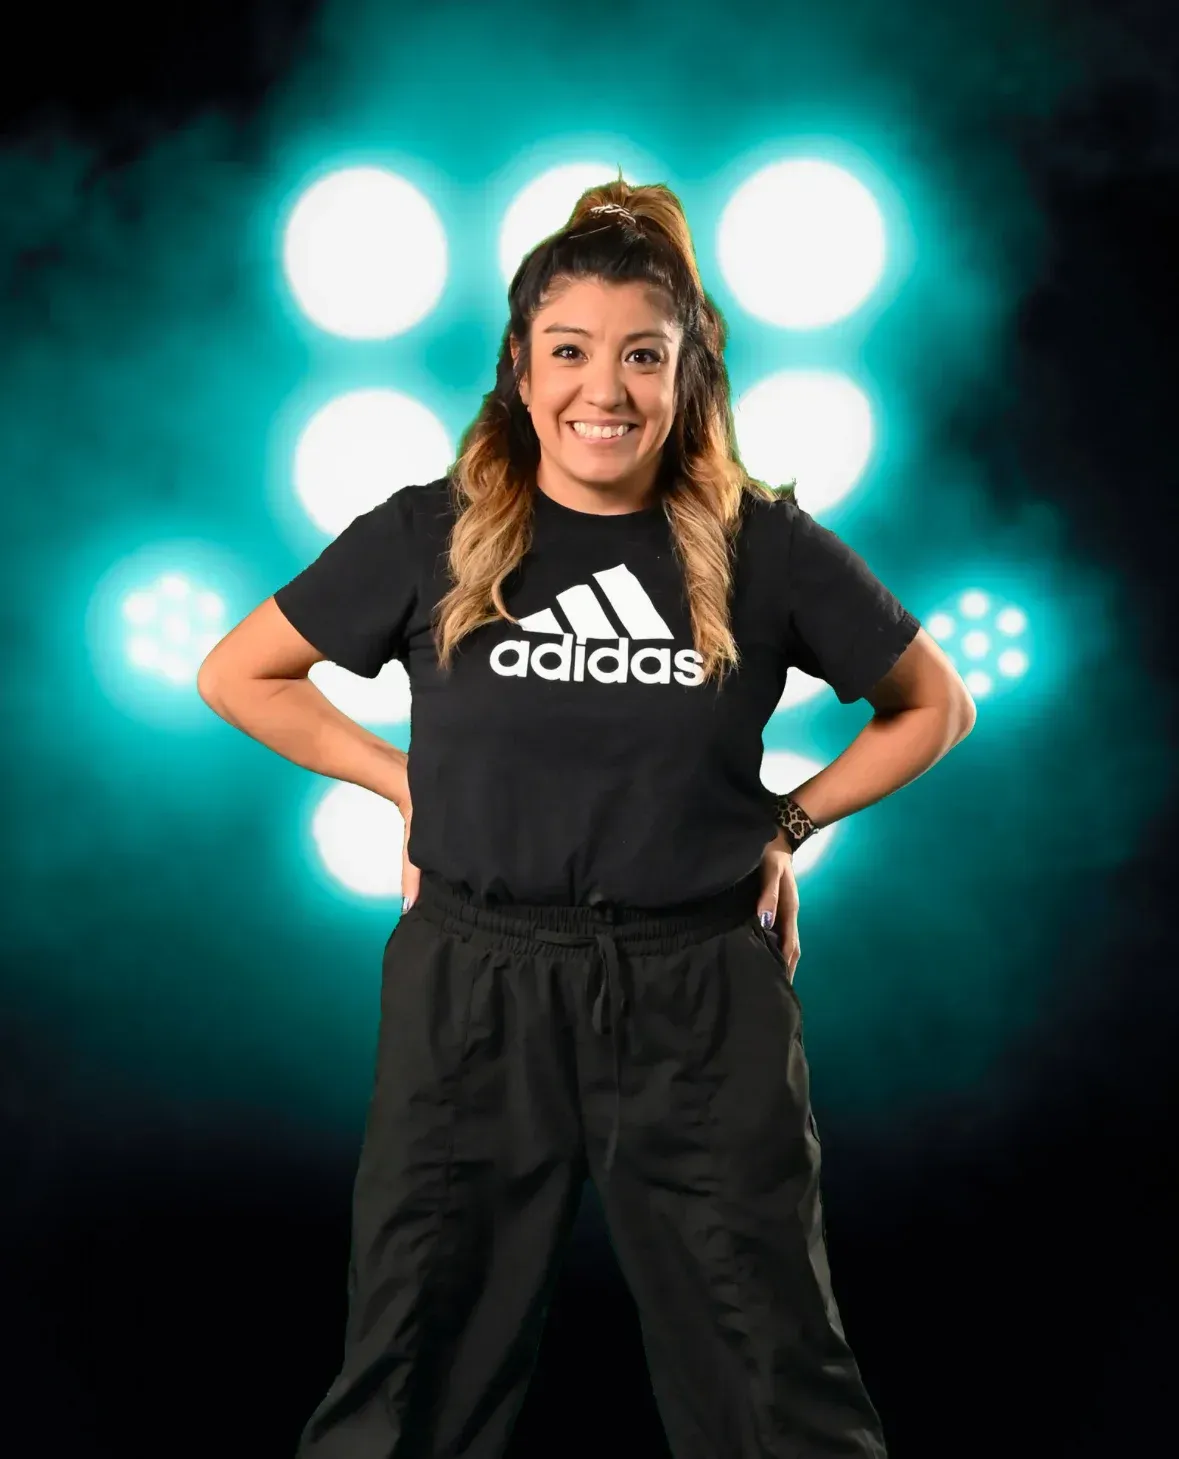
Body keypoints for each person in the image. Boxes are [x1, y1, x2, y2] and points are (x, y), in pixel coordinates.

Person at [197, 173, 976, 1459]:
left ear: (689, 376)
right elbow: (239, 674)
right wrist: (403, 780)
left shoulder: (761, 545)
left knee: (771, 1367)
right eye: (569, 351)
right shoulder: (428, 538)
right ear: (518, 367)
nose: (601, 390)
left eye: (641, 356)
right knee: (411, 1357)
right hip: (474, 986)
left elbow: (932, 706)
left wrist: (787, 825)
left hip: (699, 992)